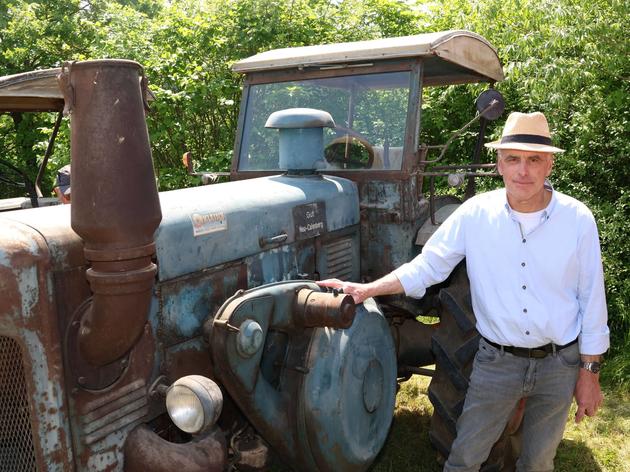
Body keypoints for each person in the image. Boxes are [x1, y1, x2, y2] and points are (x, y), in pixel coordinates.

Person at [318, 111, 609, 471]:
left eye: (534, 160)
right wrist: (366, 289)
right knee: (465, 458)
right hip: (496, 362)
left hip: (558, 363)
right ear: (499, 164)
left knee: (538, 463)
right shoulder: (475, 215)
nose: (523, 170)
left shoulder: (578, 220)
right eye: (513, 159)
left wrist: (589, 373)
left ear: (549, 164)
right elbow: (427, 267)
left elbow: (591, 299)